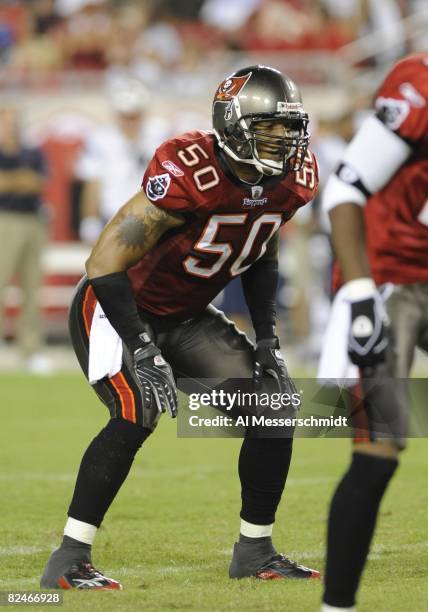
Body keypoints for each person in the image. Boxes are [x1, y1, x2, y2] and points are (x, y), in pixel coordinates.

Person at [40, 65, 320, 590]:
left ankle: (255, 549)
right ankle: (69, 557)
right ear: (233, 124)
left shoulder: (291, 179)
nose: (285, 138)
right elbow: (102, 262)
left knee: (273, 407)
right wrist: (143, 349)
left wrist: (268, 340)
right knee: (136, 409)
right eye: (270, 126)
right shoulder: (193, 168)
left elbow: (262, 250)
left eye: (290, 126)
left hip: (187, 315)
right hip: (116, 307)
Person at [319, 53, 428, 611]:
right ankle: (338, 605)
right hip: (389, 276)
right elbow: (343, 191)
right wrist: (360, 294)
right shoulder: (421, 87)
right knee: (378, 449)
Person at [76, 78, 168, 245]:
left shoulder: (159, 133)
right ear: (117, 114)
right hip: (113, 218)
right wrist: (90, 221)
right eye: (126, 116)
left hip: (152, 218)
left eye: (135, 116)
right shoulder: (100, 138)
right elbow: (93, 184)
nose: (130, 122)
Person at [0, 104, 50, 373]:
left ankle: (30, 348)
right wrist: (19, 179)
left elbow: (38, 183)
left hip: (33, 220)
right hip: (4, 220)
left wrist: (12, 180)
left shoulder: (32, 151)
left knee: (32, 287)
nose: (11, 126)